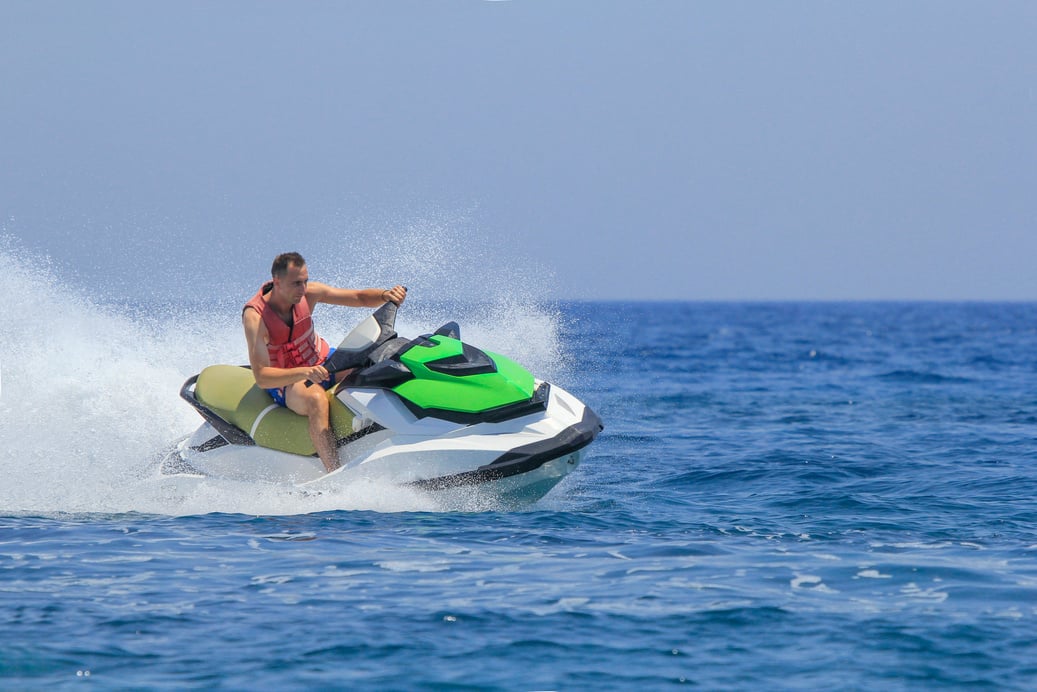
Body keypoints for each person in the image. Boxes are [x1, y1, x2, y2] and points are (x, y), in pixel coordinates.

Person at [243, 252, 406, 473]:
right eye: (296, 284)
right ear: (277, 282)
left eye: (305, 281)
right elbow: (262, 376)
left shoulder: (308, 294)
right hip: (288, 381)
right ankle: (334, 473)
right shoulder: (256, 318)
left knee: (376, 368)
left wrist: (385, 295)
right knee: (317, 400)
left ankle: (400, 433)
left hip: (324, 362)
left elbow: (359, 298)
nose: (303, 289)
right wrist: (305, 372)